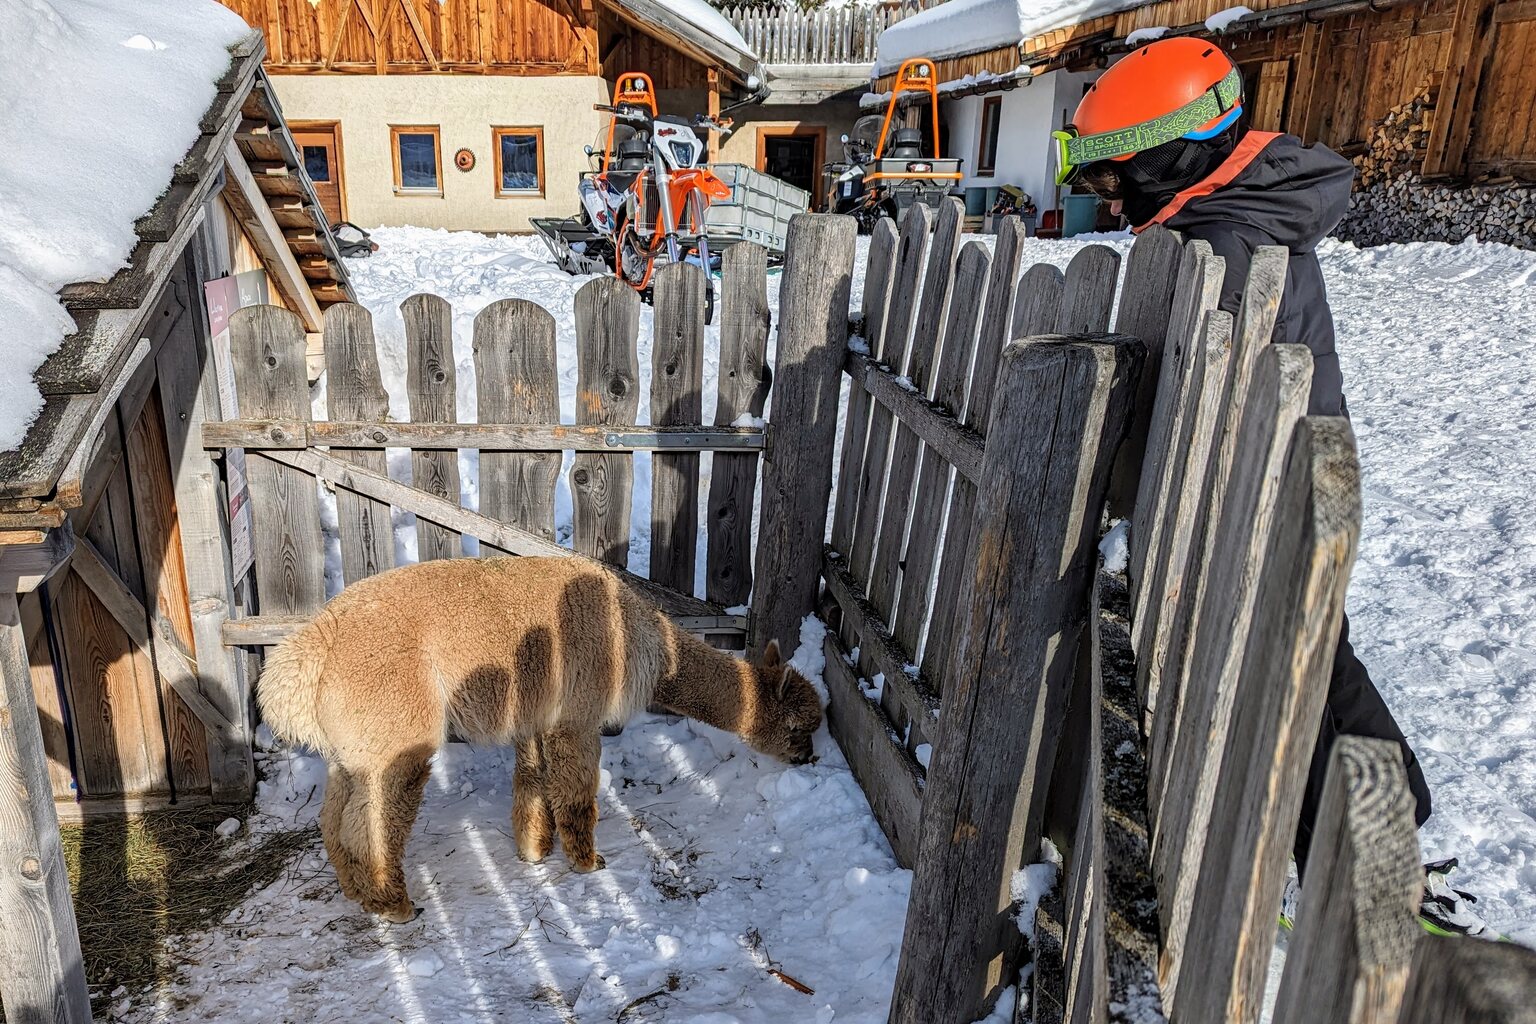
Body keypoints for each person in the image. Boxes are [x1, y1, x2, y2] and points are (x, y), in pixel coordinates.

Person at [1055, 36, 1488, 937]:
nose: (1108, 196)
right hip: (1276, 473)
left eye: (1112, 173)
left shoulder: (1222, 235)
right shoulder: (1237, 209)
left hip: (1267, 483)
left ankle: (1375, 859)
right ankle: (1359, 837)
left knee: (1302, 669)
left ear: (1174, 149)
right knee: (1308, 660)